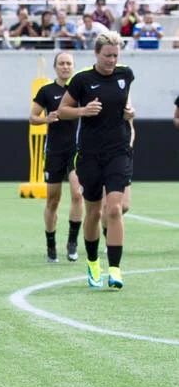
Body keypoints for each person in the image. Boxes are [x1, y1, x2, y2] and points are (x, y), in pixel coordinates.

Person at [56, 32, 133, 289]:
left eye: (115, 56)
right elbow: (62, 111)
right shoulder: (82, 80)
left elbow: (125, 103)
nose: (112, 60)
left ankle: (115, 269)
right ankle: (92, 263)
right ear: (96, 54)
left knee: (114, 208)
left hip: (118, 151)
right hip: (89, 154)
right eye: (107, 55)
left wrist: (130, 112)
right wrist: (82, 111)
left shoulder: (125, 75)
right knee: (92, 211)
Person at [30, 52, 83, 263]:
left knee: (78, 194)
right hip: (54, 150)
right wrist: (46, 119)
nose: (65, 66)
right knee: (53, 200)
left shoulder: (80, 89)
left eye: (69, 63)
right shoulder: (46, 91)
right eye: (61, 63)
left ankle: (72, 242)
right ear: (55, 67)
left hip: (77, 149)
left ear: (73, 66)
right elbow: (33, 117)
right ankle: (51, 243)